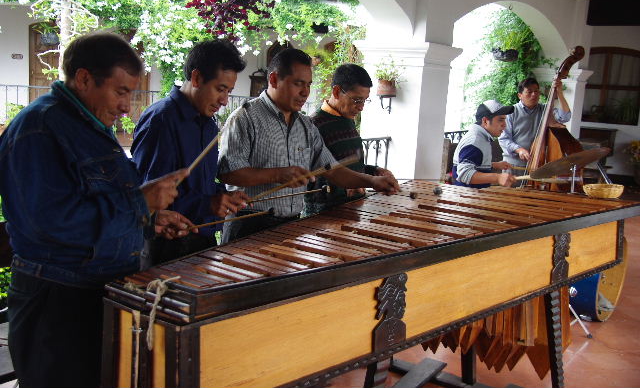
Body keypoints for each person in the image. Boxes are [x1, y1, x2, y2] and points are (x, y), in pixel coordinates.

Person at [0, 32, 192, 388]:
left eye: (131, 94)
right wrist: (140, 202)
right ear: (84, 78)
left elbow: (99, 204)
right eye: (121, 92)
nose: (126, 106)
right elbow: (50, 223)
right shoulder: (39, 128)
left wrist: (148, 220)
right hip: (57, 302)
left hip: (98, 291)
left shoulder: (91, 124)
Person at [218, 48, 400, 243]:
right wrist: (278, 174)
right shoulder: (245, 117)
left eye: (308, 85)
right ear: (273, 80)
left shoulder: (306, 125)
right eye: (298, 84)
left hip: (291, 226)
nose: (305, 92)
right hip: (249, 224)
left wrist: (372, 181)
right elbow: (228, 172)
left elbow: (332, 170)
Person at [132, 40, 250, 264]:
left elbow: (201, 184)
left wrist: (222, 197)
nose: (224, 100)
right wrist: (207, 204)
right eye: (220, 89)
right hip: (165, 248)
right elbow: (149, 197)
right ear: (196, 78)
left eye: (229, 92)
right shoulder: (161, 120)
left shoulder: (208, 125)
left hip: (200, 243)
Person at [304, 63, 397, 215]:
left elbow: (352, 165)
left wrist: (375, 171)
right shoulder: (313, 125)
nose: (361, 107)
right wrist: (346, 186)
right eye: (357, 100)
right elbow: (319, 173)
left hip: (354, 208)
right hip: (325, 216)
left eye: (365, 100)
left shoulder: (348, 119)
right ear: (336, 91)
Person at [499, 77, 571, 169]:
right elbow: (504, 139)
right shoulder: (510, 112)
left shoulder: (545, 110)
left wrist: (559, 93)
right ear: (519, 95)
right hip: (513, 165)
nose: (534, 94)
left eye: (536, 91)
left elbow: (565, 117)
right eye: (529, 92)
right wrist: (519, 149)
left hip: (537, 164)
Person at [453, 100, 517, 188]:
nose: (504, 125)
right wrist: (497, 177)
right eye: (500, 120)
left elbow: (474, 163)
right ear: (485, 121)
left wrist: (494, 165)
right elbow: (464, 174)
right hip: (466, 197)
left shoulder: (481, 137)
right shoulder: (475, 141)